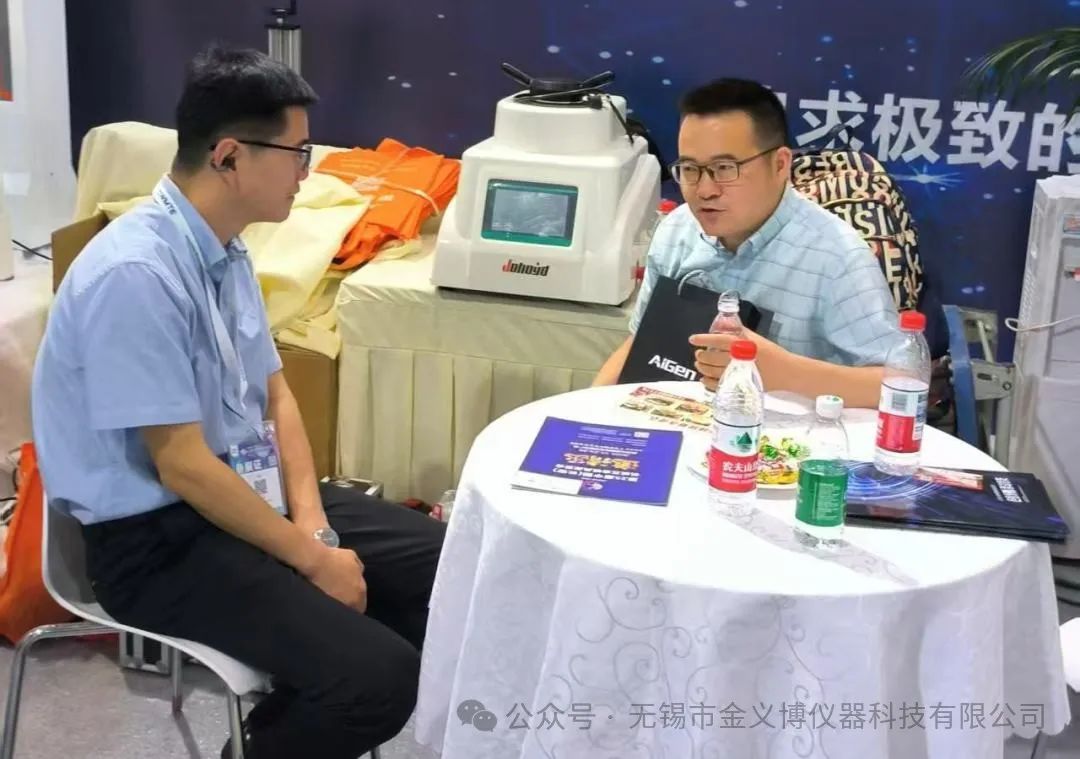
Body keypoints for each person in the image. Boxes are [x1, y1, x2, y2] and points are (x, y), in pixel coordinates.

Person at [31, 46, 445, 759]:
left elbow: (276, 393)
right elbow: (182, 465)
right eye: (298, 153)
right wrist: (313, 562)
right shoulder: (135, 273)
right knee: (380, 680)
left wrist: (315, 530)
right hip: (154, 542)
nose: (307, 171)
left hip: (239, 494)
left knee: (444, 567)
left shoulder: (226, 250)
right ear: (228, 156)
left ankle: (302, 702)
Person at [593, 78, 902, 408]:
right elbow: (640, 341)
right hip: (675, 419)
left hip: (782, 435)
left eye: (725, 168)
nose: (705, 190)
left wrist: (786, 374)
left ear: (780, 164)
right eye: (690, 169)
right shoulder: (676, 231)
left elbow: (899, 387)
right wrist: (584, 412)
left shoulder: (837, 257)